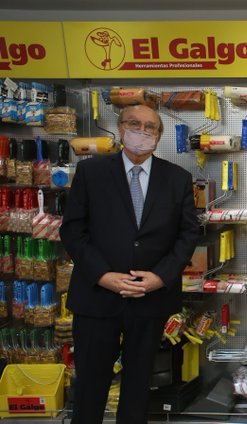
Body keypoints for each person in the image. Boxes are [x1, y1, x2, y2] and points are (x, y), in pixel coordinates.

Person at [60, 104, 199, 424]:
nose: (142, 132)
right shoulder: (92, 172)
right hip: (97, 298)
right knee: (90, 385)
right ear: (121, 128)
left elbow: (188, 235)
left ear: (159, 136)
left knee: (139, 387)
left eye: (150, 127)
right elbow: (72, 230)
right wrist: (102, 275)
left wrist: (160, 277)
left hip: (149, 300)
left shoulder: (177, 178)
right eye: (135, 124)